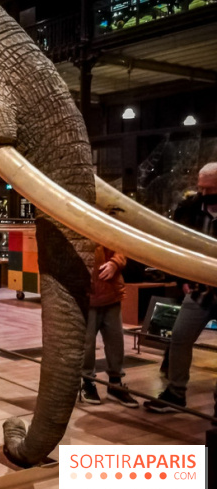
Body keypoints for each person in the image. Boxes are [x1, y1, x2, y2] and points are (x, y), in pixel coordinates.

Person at [145, 162, 217, 413]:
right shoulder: (189, 208)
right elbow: (177, 246)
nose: (206, 194)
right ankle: (175, 393)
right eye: (202, 188)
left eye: (212, 188)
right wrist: (181, 280)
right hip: (199, 291)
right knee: (179, 338)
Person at [79, 245, 139, 408]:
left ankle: (115, 383)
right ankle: (88, 382)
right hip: (86, 295)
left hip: (111, 293)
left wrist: (115, 263)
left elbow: (120, 246)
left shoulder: (107, 224)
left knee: (116, 341)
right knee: (87, 342)